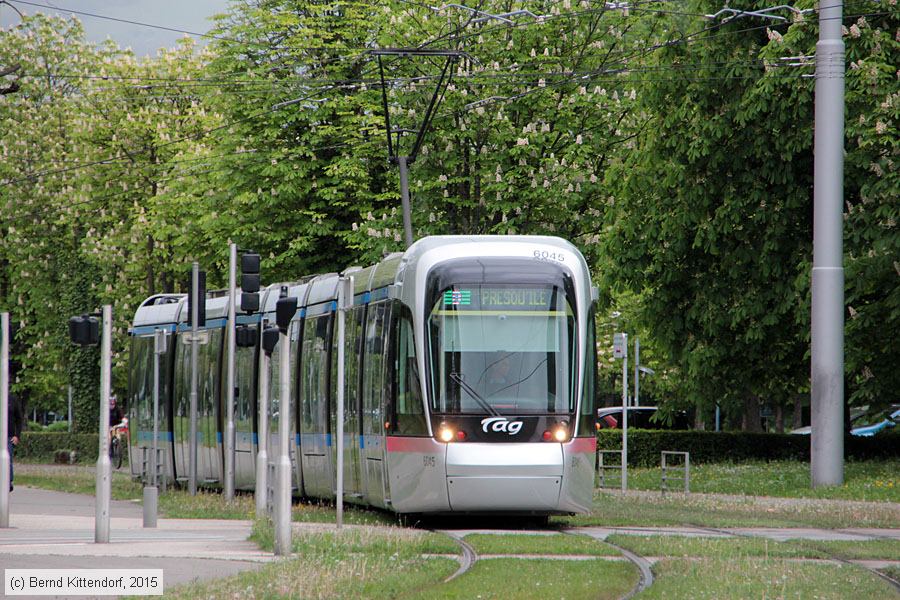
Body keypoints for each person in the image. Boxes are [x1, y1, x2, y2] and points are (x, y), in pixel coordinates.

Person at [7, 392, 23, 492]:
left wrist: (17, 436)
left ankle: (8, 481)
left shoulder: (12, 399)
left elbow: (19, 419)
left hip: (8, 436)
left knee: (8, 459)